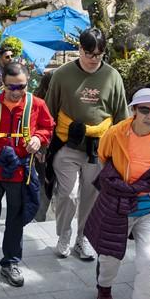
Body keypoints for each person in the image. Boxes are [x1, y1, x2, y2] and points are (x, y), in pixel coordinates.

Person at [84, 84, 150, 299]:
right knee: (109, 257)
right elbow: (104, 158)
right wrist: (124, 186)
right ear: (134, 110)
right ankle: (104, 287)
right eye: (144, 109)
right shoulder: (115, 133)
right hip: (118, 202)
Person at [44, 26, 128, 261]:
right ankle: (64, 235)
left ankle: (84, 238)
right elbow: (49, 111)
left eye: (99, 55)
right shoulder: (62, 74)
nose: (93, 59)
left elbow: (121, 117)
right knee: (68, 195)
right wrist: (43, 145)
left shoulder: (112, 76)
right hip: (67, 146)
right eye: (89, 53)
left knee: (91, 196)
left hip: (98, 149)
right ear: (79, 49)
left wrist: (122, 152)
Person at [0, 63, 54, 287]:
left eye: (21, 86)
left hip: (20, 170)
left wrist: (38, 138)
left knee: (15, 218)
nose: (16, 92)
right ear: (2, 84)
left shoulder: (37, 104)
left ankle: (10, 262)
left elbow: (48, 127)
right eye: (11, 87)